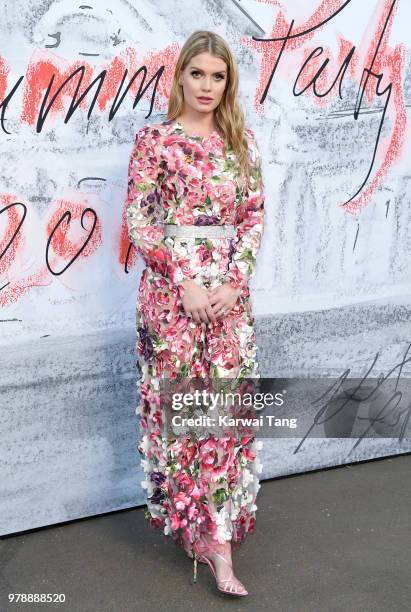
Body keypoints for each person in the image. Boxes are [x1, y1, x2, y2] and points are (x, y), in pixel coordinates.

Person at [125, 30, 265, 597]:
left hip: (229, 298)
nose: (207, 86)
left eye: (218, 76)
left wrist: (234, 282)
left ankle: (222, 540)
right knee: (182, 412)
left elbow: (254, 217)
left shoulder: (242, 143)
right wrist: (183, 281)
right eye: (198, 73)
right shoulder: (154, 141)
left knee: (224, 414)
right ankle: (195, 529)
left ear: (227, 83)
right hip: (170, 298)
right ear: (180, 75)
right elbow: (139, 222)